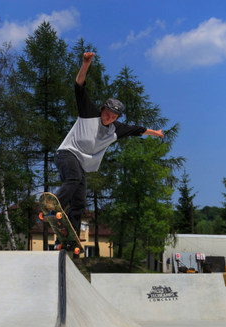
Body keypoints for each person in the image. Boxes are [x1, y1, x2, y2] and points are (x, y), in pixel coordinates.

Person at [54, 52, 164, 236]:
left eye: (113, 117)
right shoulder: (89, 111)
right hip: (66, 154)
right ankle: (53, 204)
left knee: (80, 200)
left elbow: (136, 129)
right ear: (102, 109)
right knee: (72, 179)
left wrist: (154, 133)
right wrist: (85, 64)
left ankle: (67, 234)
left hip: (79, 164)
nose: (108, 118)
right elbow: (79, 85)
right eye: (107, 114)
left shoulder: (116, 129)